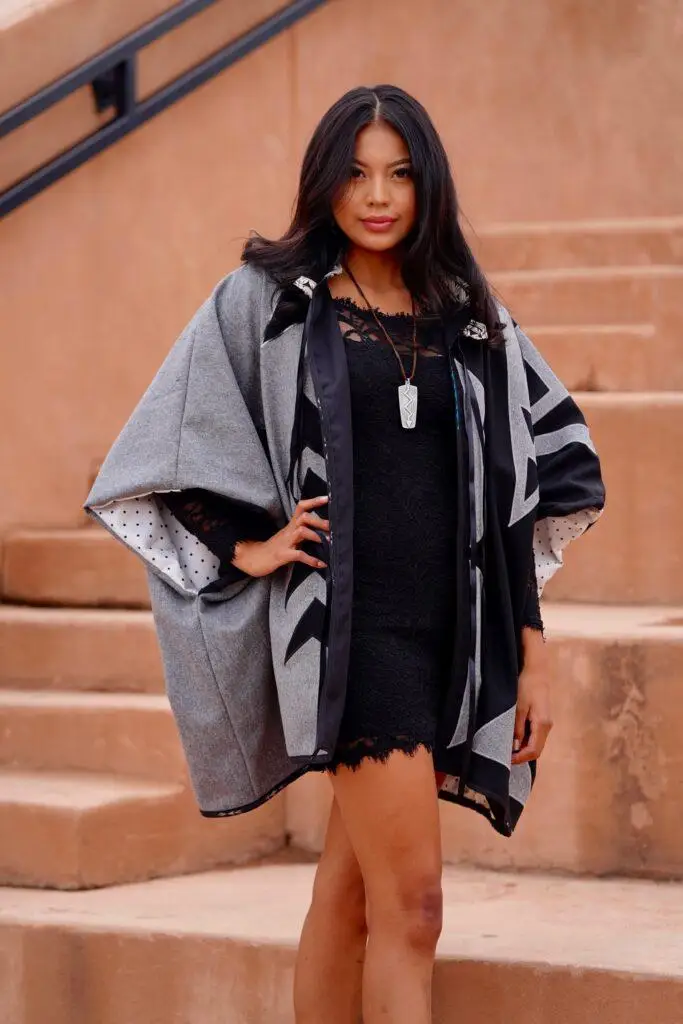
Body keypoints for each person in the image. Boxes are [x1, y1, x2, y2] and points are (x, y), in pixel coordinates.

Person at [84, 84, 605, 1024]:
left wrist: (532, 647)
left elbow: (523, 482)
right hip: (348, 635)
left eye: (399, 173)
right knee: (416, 905)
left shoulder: (470, 317)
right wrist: (245, 546)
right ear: (323, 182)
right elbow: (166, 444)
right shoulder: (270, 304)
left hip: (449, 629)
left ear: (427, 185)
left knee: (352, 894)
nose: (377, 195)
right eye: (356, 173)